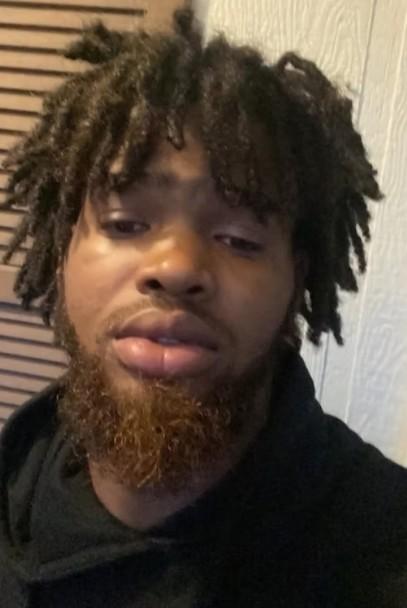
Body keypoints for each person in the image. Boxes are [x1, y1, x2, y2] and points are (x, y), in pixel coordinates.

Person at [0, 8, 406, 607]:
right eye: (126, 223)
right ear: (63, 253)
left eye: (239, 239)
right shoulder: (15, 469)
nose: (176, 267)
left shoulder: (383, 546)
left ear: (295, 280)